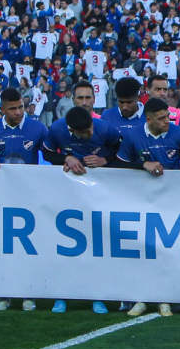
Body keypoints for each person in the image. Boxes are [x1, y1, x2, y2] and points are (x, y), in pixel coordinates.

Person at [117, 97, 180, 318]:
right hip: (142, 201)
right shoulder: (133, 136)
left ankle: (165, 299)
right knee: (144, 248)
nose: (167, 122)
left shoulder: (179, 134)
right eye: (162, 119)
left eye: (168, 117)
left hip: (173, 201)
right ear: (149, 119)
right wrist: (143, 164)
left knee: (168, 249)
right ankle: (141, 298)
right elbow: (120, 164)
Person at [42, 106, 121, 315]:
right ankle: (62, 295)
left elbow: (122, 151)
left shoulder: (105, 129)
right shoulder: (57, 129)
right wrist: (65, 159)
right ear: (71, 130)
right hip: (68, 193)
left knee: (97, 243)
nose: (90, 134)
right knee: (67, 244)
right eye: (84, 133)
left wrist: (106, 160)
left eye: (90, 128)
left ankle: (98, 297)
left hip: (100, 194)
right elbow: (47, 152)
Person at [0, 88, 47, 312]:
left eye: (21, 107)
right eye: (12, 108)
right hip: (1, 196)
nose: (18, 112)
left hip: (28, 196)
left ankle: (28, 294)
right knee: (3, 247)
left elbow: (52, 153)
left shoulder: (37, 127)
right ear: (2, 109)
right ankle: (3, 296)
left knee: (27, 247)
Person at [100, 78, 146, 142]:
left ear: (138, 98)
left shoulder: (149, 116)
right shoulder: (107, 116)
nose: (125, 107)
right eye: (121, 102)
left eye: (129, 102)